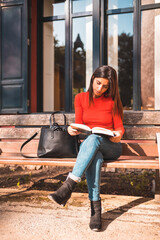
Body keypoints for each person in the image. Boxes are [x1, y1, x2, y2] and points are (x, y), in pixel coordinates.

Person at [48, 65, 124, 231]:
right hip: (91, 146)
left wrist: (118, 134)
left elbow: (119, 127)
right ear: (92, 79)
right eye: (98, 83)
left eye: (105, 86)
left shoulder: (113, 102)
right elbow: (79, 124)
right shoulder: (81, 98)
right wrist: (71, 129)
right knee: (94, 154)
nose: (100, 89)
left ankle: (69, 185)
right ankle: (95, 211)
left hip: (111, 147)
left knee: (95, 138)